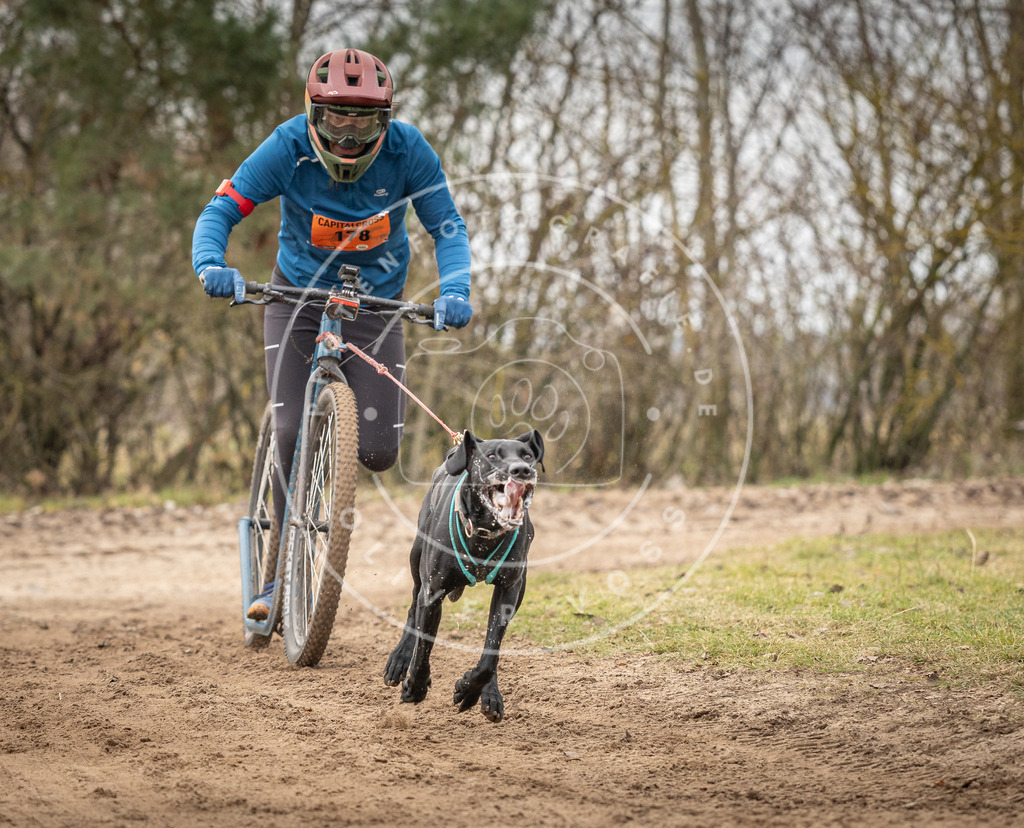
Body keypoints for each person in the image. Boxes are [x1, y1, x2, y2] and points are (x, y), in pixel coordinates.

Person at [191, 48, 472, 619]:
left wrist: (457, 290)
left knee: (378, 452)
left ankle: (335, 477)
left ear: (385, 120)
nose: (346, 134)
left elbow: (448, 227)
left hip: (376, 303)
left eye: (362, 120)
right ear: (312, 115)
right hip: (295, 297)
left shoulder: (409, 152)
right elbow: (221, 210)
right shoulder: (287, 147)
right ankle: (274, 577)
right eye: (334, 118)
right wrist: (210, 264)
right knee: (291, 431)